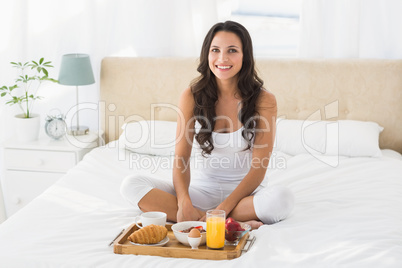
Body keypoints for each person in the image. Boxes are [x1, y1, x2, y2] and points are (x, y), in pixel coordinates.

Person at [120, 21, 294, 229]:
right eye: (215, 50)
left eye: (232, 50)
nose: (222, 58)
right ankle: (224, 222)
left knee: (282, 199)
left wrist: (224, 208)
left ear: (245, 56)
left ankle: (211, 219)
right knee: (130, 185)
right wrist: (184, 201)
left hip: (243, 198)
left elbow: (259, 168)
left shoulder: (263, 100)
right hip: (200, 193)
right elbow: (181, 157)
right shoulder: (192, 96)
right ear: (207, 54)